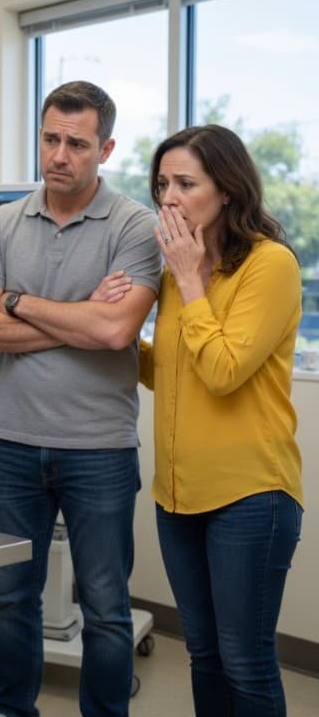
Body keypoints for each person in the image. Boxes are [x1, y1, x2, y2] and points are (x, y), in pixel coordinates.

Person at [0, 80, 161, 717]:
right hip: (14, 442)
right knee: (14, 598)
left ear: (105, 149)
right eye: (51, 139)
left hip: (99, 447)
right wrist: (74, 317)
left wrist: (15, 301)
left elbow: (115, 330)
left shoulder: (136, 226)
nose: (60, 155)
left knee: (105, 608)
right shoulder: (2, 223)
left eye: (77, 143)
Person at [139, 124, 303, 716]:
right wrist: (118, 335)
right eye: (162, 185)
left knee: (247, 661)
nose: (169, 200)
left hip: (250, 495)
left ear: (227, 190)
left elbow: (225, 370)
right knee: (204, 655)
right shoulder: (176, 276)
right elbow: (171, 373)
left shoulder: (270, 264)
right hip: (177, 497)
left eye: (186, 183)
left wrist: (189, 277)